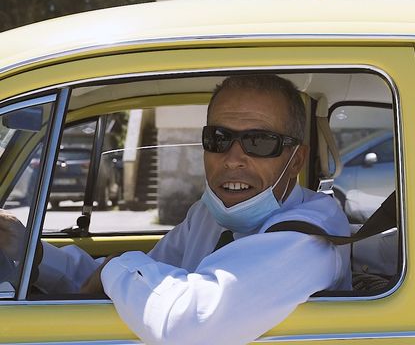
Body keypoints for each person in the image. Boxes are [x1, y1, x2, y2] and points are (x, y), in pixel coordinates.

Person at [3, 74, 351, 345]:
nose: (232, 158)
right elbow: (140, 285)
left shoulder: (310, 235)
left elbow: (186, 324)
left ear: (296, 161)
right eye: (218, 138)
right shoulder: (208, 214)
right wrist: (28, 252)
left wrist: (117, 266)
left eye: (259, 142)